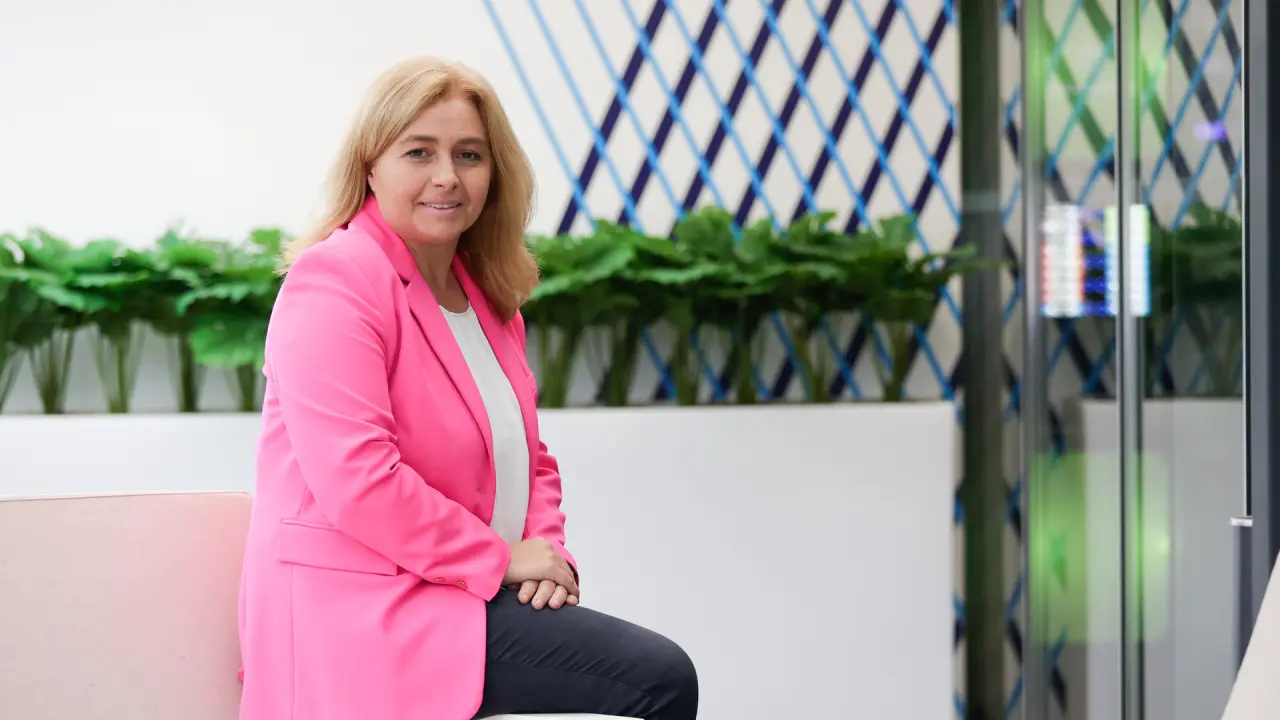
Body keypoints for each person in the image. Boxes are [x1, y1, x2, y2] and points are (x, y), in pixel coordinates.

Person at [235, 56, 699, 720]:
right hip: (363, 612)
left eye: (469, 155)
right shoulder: (335, 280)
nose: (447, 176)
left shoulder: (487, 298)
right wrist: (501, 558)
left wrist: (548, 555)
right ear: (370, 165)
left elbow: (529, 456)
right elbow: (359, 480)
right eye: (419, 152)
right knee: (660, 678)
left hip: (459, 591)